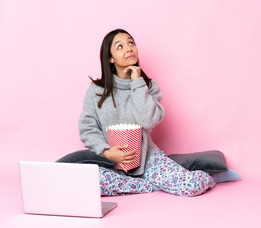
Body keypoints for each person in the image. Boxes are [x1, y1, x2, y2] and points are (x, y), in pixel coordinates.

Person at [77, 29, 217, 197]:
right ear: (110, 58)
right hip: (112, 163)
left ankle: (214, 176)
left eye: (131, 43)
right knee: (87, 183)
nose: (129, 48)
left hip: (148, 159)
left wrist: (137, 83)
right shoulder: (96, 90)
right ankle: (151, 185)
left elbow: (148, 120)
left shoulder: (149, 86)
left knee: (191, 186)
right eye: (120, 46)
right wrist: (107, 152)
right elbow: (87, 129)